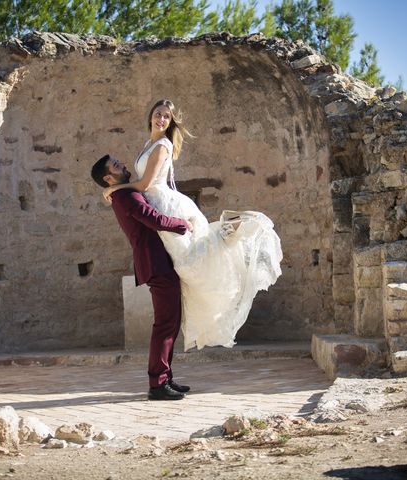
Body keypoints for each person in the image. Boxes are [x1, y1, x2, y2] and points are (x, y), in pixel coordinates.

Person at [102, 99, 283, 351]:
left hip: (164, 204)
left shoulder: (163, 145)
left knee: (190, 261)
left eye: (166, 116)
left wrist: (115, 187)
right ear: (150, 117)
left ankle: (228, 232)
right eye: (158, 114)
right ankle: (225, 233)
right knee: (183, 263)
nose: (161, 119)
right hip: (156, 203)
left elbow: (144, 185)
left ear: (170, 122)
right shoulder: (148, 143)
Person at [91, 154, 192, 401]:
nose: (123, 164)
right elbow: (153, 219)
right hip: (155, 263)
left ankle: (165, 378)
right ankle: (157, 384)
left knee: (170, 323)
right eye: (116, 165)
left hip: (158, 263)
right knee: (165, 325)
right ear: (108, 177)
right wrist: (183, 224)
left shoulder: (122, 193)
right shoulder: (125, 196)